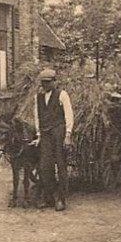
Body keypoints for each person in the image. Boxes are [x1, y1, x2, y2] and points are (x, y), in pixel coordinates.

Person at [31, 67, 74, 211]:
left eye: (48, 82)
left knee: (61, 166)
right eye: (43, 82)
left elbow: (69, 115)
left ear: (54, 82)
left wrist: (67, 135)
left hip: (59, 133)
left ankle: (61, 199)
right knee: (45, 167)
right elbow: (38, 117)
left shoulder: (62, 95)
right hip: (45, 134)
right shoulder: (38, 97)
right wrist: (38, 135)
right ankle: (48, 198)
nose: (45, 85)